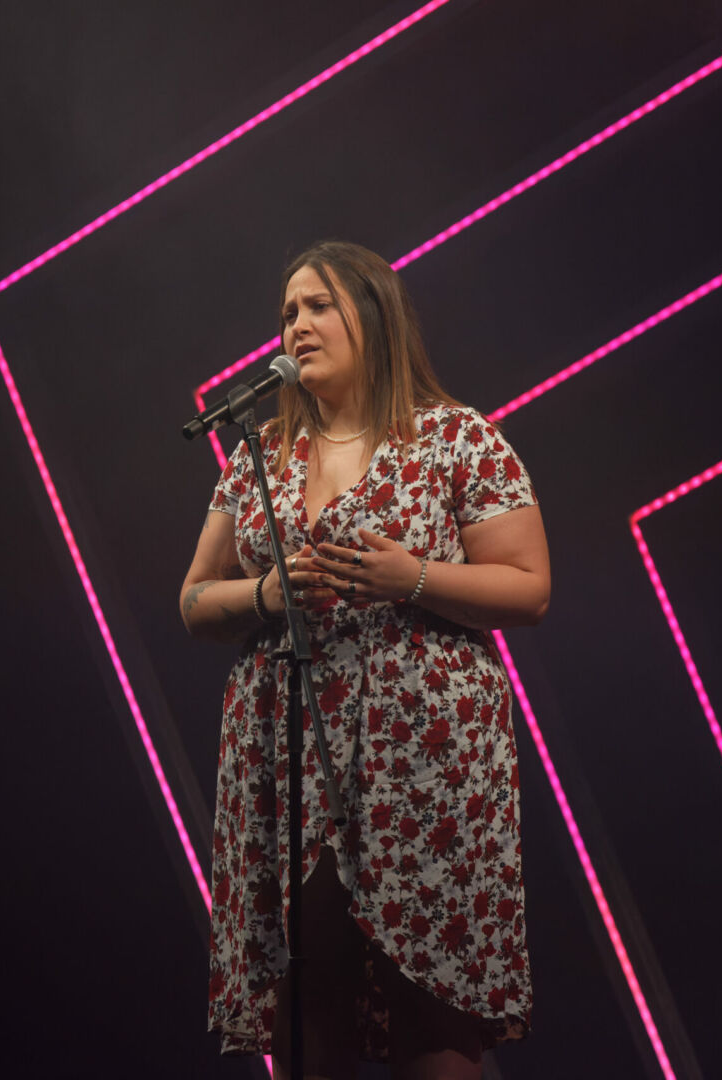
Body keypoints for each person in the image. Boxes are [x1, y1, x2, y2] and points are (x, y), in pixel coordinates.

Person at [179, 241, 551, 1080]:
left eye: (317, 306)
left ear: (373, 318)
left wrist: (407, 576)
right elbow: (195, 601)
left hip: (424, 767)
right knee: (314, 1003)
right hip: (289, 761)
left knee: (433, 1016)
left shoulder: (458, 439)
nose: (297, 325)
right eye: (286, 313)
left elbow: (529, 587)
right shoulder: (260, 460)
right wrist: (267, 594)